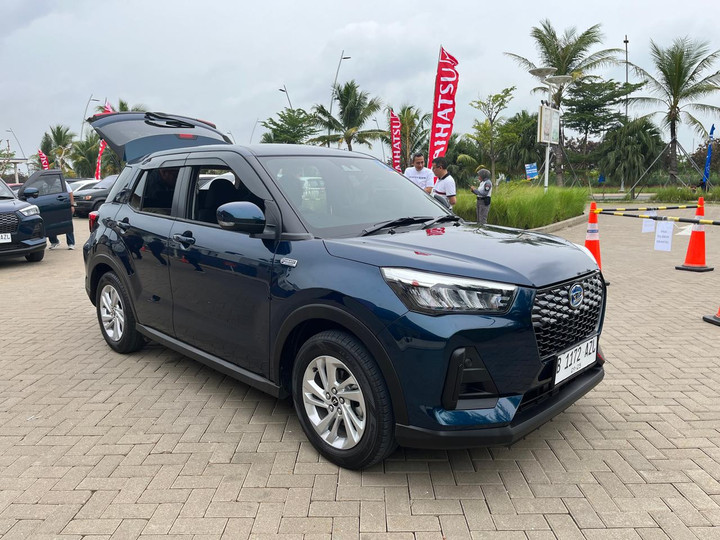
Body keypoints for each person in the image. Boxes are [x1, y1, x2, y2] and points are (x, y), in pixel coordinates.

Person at [49, 181, 75, 250]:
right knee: (50, 224)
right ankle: (54, 241)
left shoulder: (62, 182)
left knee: (67, 223)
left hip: (62, 204)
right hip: (50, 205)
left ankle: (71, 243)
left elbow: (70, 193)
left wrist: (72, 205)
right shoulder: (44, 183)